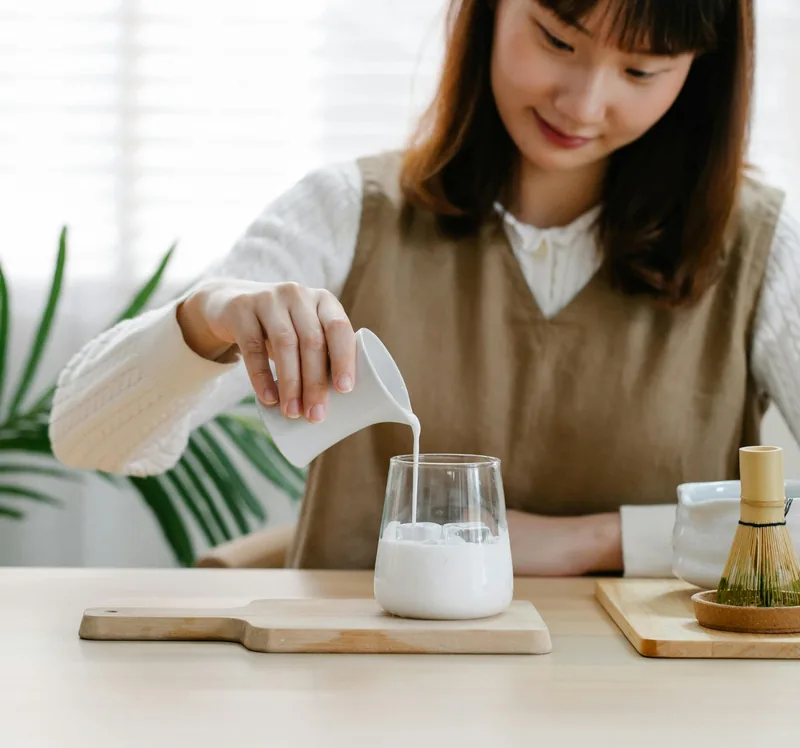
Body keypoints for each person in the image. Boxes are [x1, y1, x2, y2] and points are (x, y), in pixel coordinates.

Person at [49, 0, 800, 576]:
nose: (583, 101)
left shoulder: (760, 249)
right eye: (557, 40)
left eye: (641, 71)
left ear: (701, 74)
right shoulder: (348, 211)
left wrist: (603, 540)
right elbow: (86, 438)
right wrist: (210, 317)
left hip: (653, 725)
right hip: (358, 707)